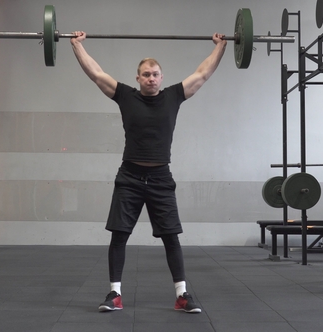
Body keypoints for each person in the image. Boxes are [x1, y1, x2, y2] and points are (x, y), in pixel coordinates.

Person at [70, 30, 227, 314]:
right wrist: (76, 45)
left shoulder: (174, 96)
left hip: (160, 178)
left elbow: (203, 74)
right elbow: (96, 73)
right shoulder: (125, 96)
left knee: (171, 237)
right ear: (138, 78)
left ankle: (182, 296)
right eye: (145, 74)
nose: (151, 78)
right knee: (119, 236)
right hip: (129, 177)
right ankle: (114, 295)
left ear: (161, 77)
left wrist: (221, 46)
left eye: (155, 74)